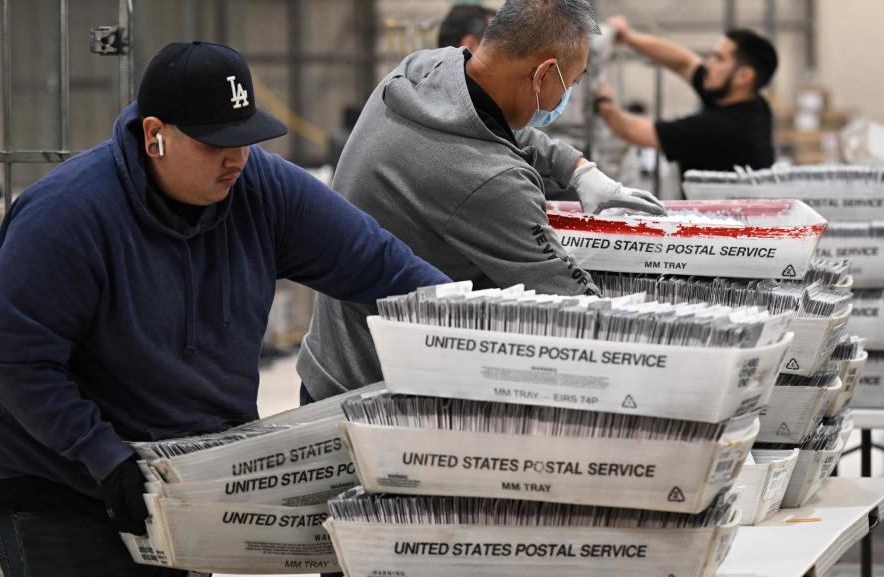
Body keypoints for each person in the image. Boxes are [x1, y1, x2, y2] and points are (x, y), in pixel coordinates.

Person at [0, 41, 449, 577]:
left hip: (182, 480)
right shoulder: (68, 216)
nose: (237, 158)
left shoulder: (262, 190)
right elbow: (14, 361)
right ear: (156, 135)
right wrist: (102, 456)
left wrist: (465, 329)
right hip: (63, 480)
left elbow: (382, 267)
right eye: (214, 143)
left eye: (245, 138)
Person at [297, 0, 664, 407]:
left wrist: (575, 167)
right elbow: (571, 305)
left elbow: (495, 127)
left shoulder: (426, 71)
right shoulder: (493, 181)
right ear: (543, 75)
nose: (567, 95)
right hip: (373, 394)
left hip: (329, 359)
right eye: (572, 83)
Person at [594, 17, 779, 176]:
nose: (707, 64)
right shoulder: (751, 102)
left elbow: (631, 131)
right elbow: (684, 62)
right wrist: (628, 37)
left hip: (717, 217)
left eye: (719, 59)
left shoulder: (724, 128)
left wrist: (602, 100)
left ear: (744, 76)